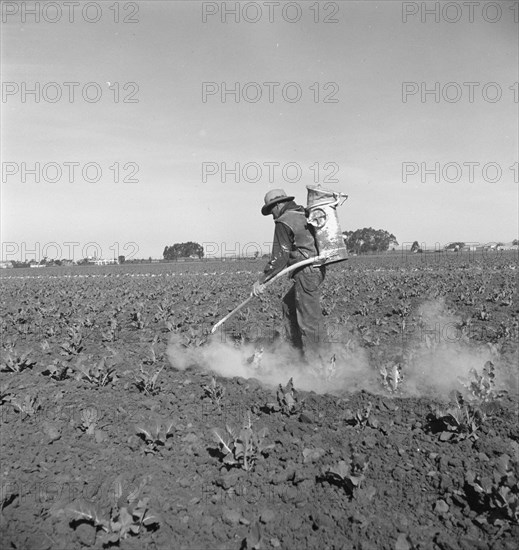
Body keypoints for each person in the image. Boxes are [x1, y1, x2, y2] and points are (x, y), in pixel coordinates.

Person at [252, 189, 327, 367]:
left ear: (278, 205)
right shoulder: (302, 213)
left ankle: (318, 366)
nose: (272, 215)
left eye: (271, 210)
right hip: (316, 270)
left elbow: (280, 257)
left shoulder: (284, 221)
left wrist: (261, 280)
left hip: (306, 272)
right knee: (288, 304)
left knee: (309, 319)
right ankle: (297, 354)